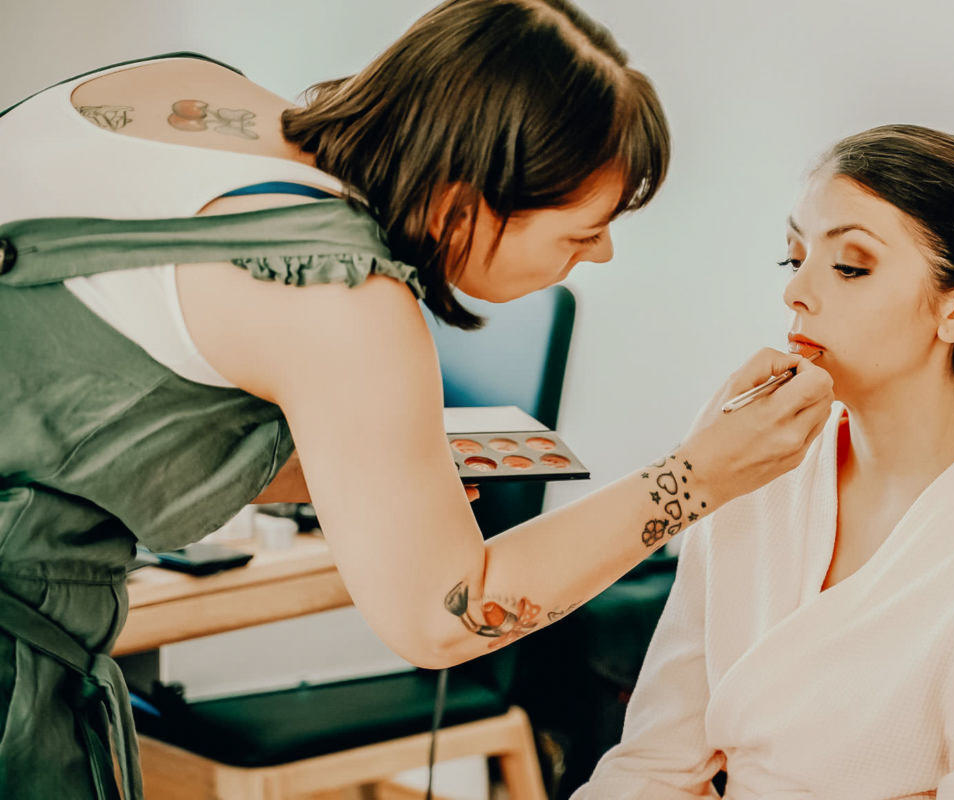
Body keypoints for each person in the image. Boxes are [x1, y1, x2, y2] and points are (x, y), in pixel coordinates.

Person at [0, 2, 835, 798]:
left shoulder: (179, 89)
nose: (604, 253)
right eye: (581, 233)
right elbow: (446, 619)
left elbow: (87, 402)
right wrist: (698, 478)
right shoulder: (340, 296)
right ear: (462, 204)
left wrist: (372, 473)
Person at [572, 124, 954, 800]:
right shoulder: (755, 471)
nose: (795, 293)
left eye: (849, 266)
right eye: (793, 258)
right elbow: (653, 763)